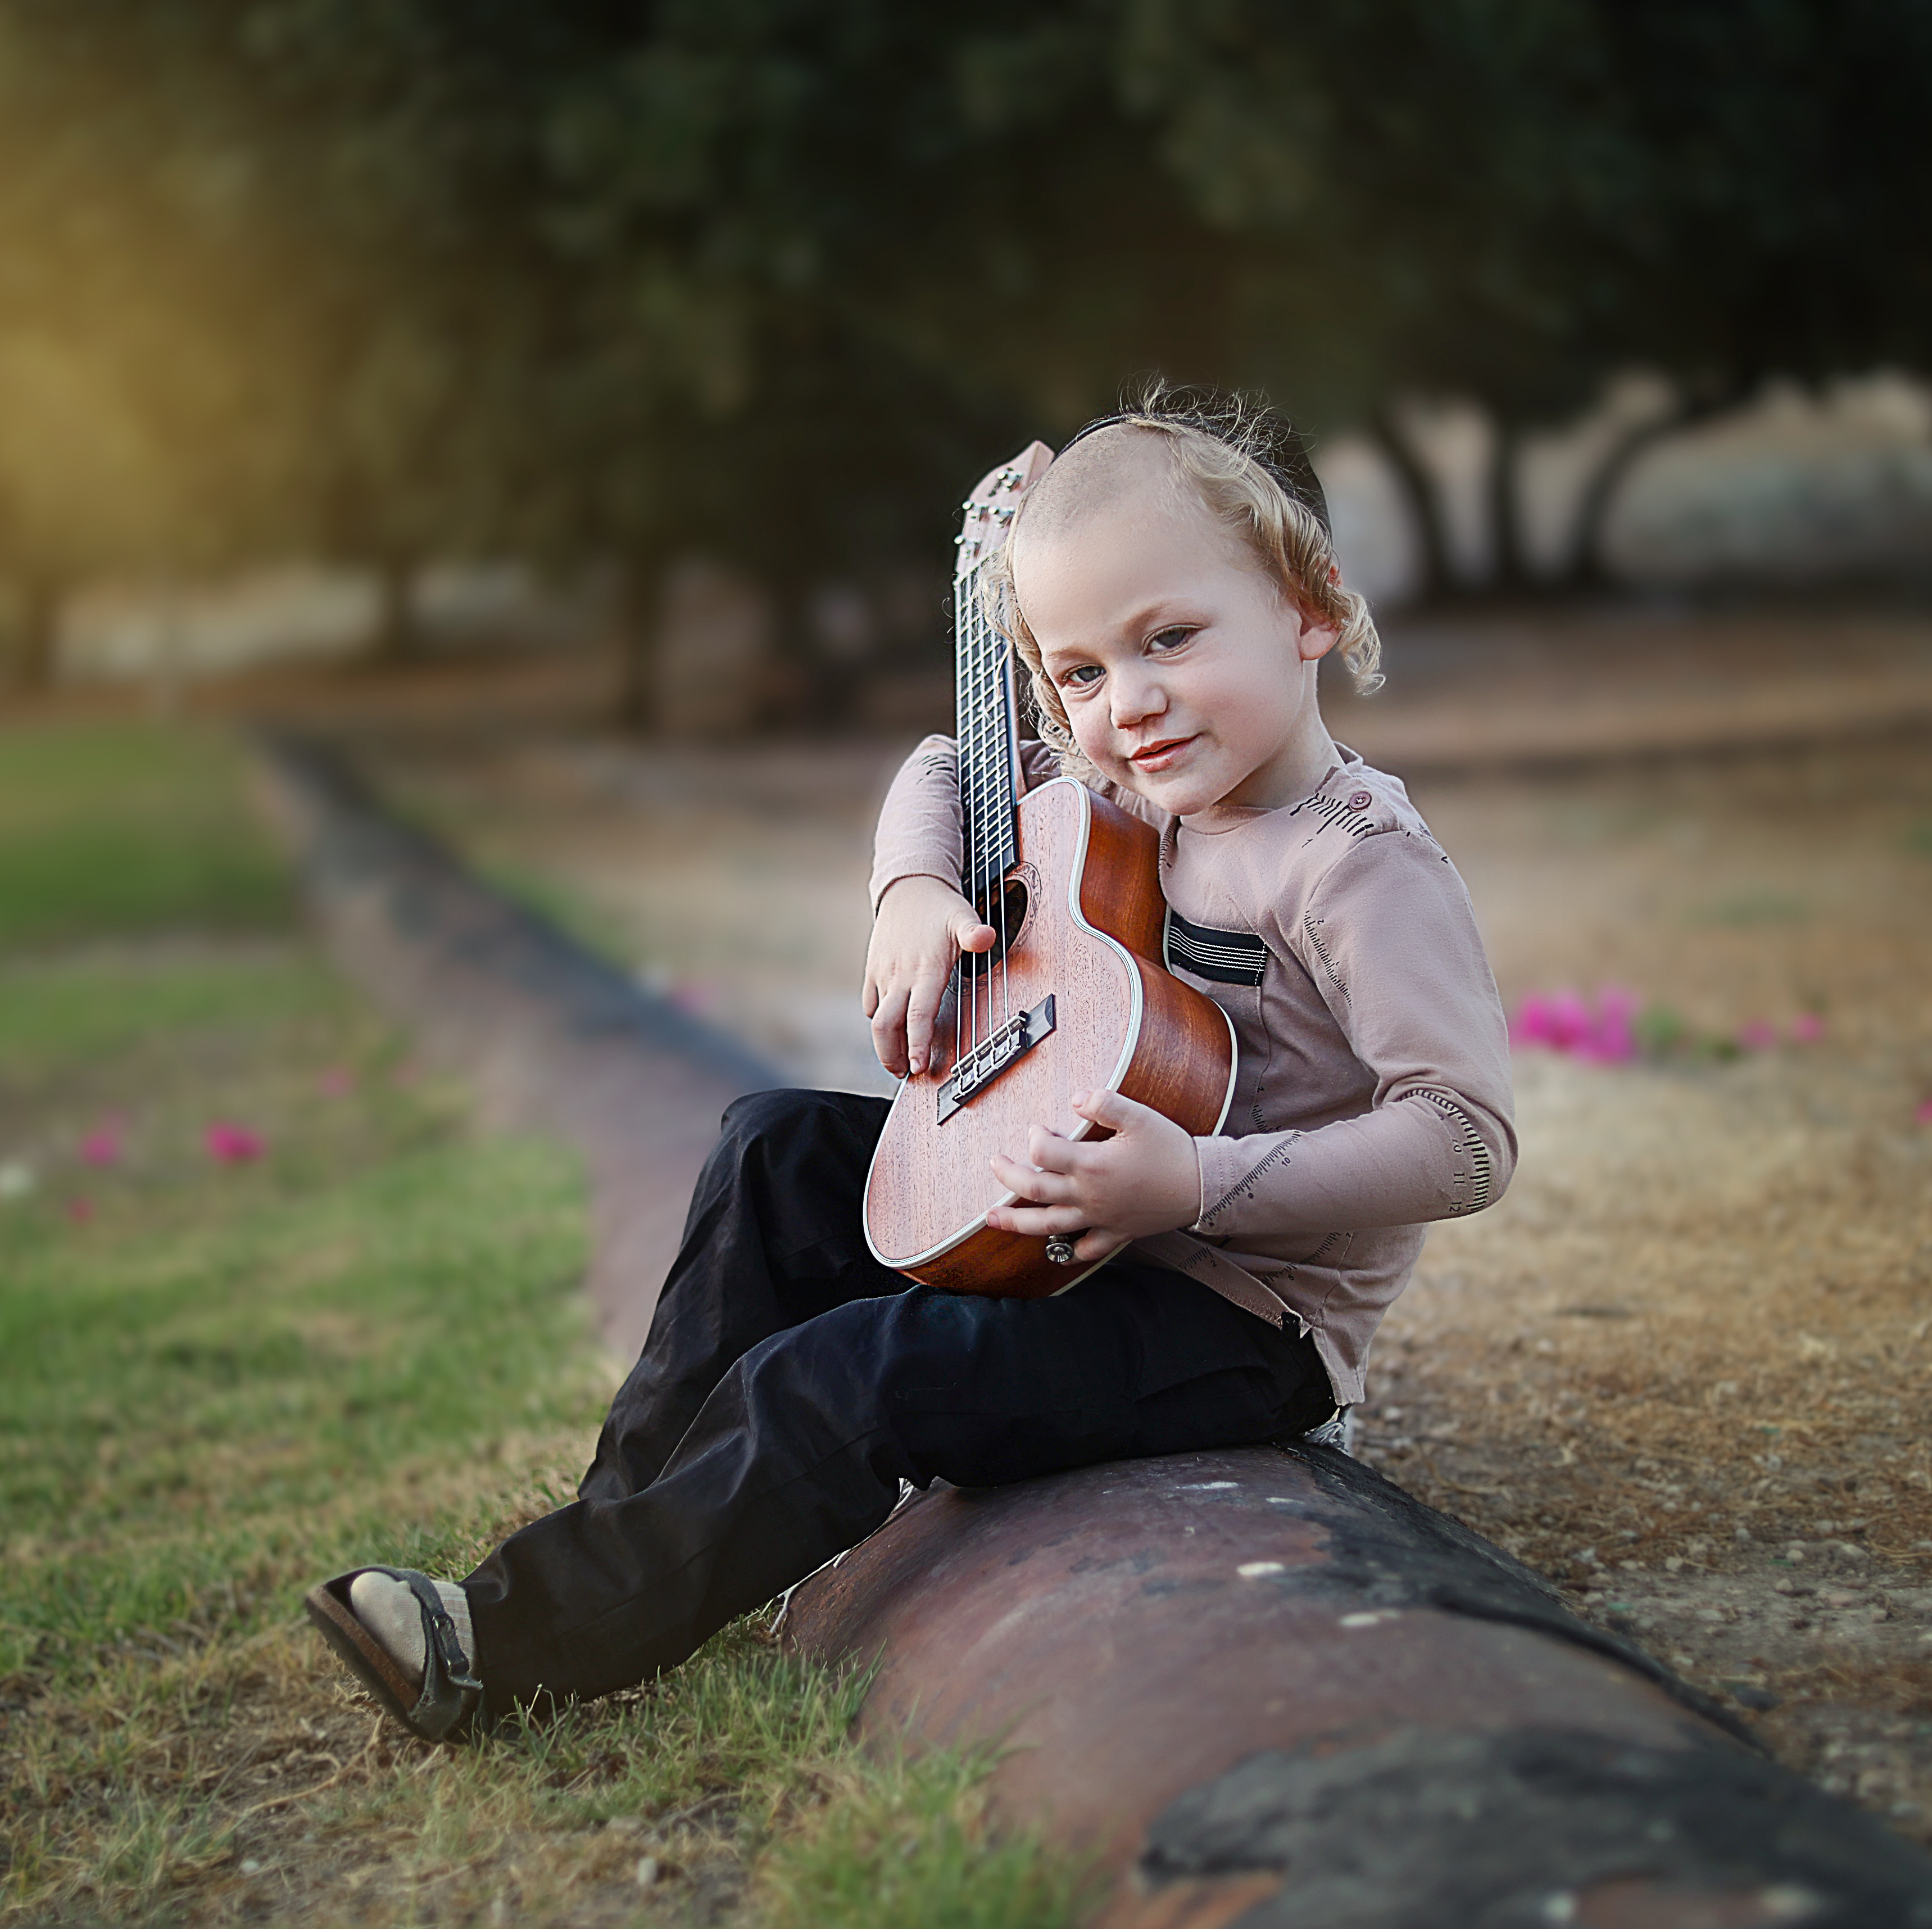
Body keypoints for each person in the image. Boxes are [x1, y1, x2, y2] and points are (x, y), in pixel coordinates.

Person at [306, 386, 1517, 1743]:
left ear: (1311, 607)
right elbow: (945, 762)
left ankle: (509, 1651)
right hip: (1063, 1219)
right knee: (772, 1145)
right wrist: (911, 892)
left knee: (852, 1367)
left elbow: (1466, 1140)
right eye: (1081, 673)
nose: (1131, 705)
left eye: (1171, 638)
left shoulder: (1356, 868)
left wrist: (1195, 1183)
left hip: (1231, 1319)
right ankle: (620, 1540)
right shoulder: (1136, 790)